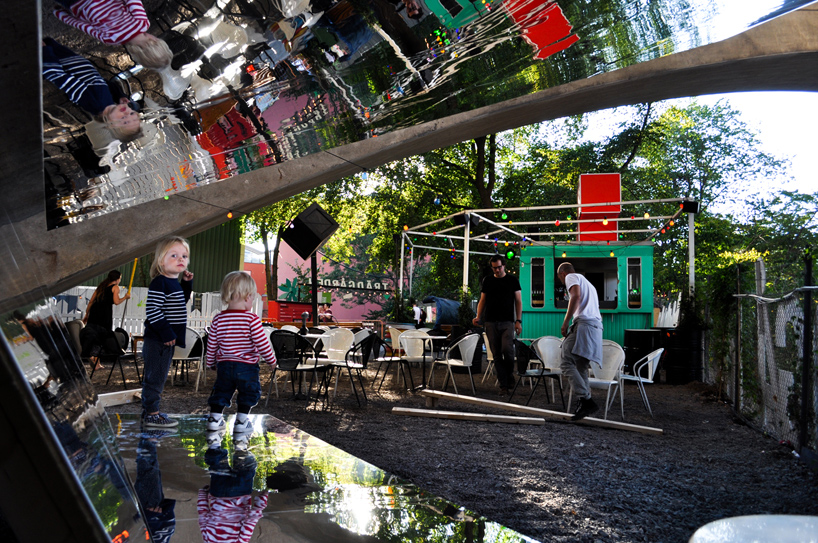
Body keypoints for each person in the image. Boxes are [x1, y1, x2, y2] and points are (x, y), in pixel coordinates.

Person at [205, 272, 276, 449]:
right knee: (248, 392)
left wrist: (210, 362)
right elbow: (262, 343)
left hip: (225, 365)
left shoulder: (218, 319)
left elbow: (212, 344)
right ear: (247, 297)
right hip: (247, 366)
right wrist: (272, 360)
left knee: (221, 391)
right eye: (252, 298)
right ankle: (241, 421)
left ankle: (215, 418)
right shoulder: (252, 319)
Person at [41, 38, 144, 143]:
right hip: (69, 59)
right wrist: (120, 96)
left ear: (110, 124)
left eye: (124, 120)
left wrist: (44, 52)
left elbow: (59, 77)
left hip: (57, 59)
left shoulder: (94, 103)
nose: (126, 112)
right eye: (131, 114)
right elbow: (105, 83)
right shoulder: (108, 103)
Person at [141, 236, 194, 428]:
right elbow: (152, 310)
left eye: (184, 256)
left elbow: (181, 301)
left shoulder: (173, 283)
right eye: (174, 255)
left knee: (159, 376)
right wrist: (166, 332)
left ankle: (149, 411)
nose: (181, 259)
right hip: (158, 340)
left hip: (167, 340)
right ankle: (152, 414)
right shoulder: (159, 282)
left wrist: (187, 284)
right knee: (155, 377)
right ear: (161, 260)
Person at [52, 0, 173, 68]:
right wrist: (61, 14)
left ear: (154, 41)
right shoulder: (111, 40)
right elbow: (82, 25)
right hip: (76, 4)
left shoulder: (141, 23)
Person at [556, 262, 604, 421]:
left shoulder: (571, 276)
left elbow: (575, 295)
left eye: (560, 278)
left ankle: (586, 400)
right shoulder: (589, 284)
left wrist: (565, 321)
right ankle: (585, 403)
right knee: (581, 365)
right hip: (596, 326)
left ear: (562, 274)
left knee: (565, 361)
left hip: (584, 325)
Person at [472, 255, 522, 395]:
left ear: (504, 266)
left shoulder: (512, 280)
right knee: (496, 354)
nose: (497, 270)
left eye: (499, 267)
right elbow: (482, 300)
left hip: (507, 321)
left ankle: (509, 375)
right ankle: (503, 385)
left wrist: (518, 320)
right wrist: (478, 316)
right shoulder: (488, 280)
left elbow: (518, 301)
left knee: (508, 350)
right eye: (494, 268)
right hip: (490, 321)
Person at [80, 269, 130, 369]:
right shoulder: (115, 287)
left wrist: (86, 315)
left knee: (94, 334)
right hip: (104, 314)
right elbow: (116, 301)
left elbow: (91, 301)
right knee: (102, 336)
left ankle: (96, 361)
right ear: (117, 279)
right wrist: (125, 297)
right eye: (120, 278)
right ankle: (95, 359)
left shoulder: (101, 286)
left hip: (94, 312)